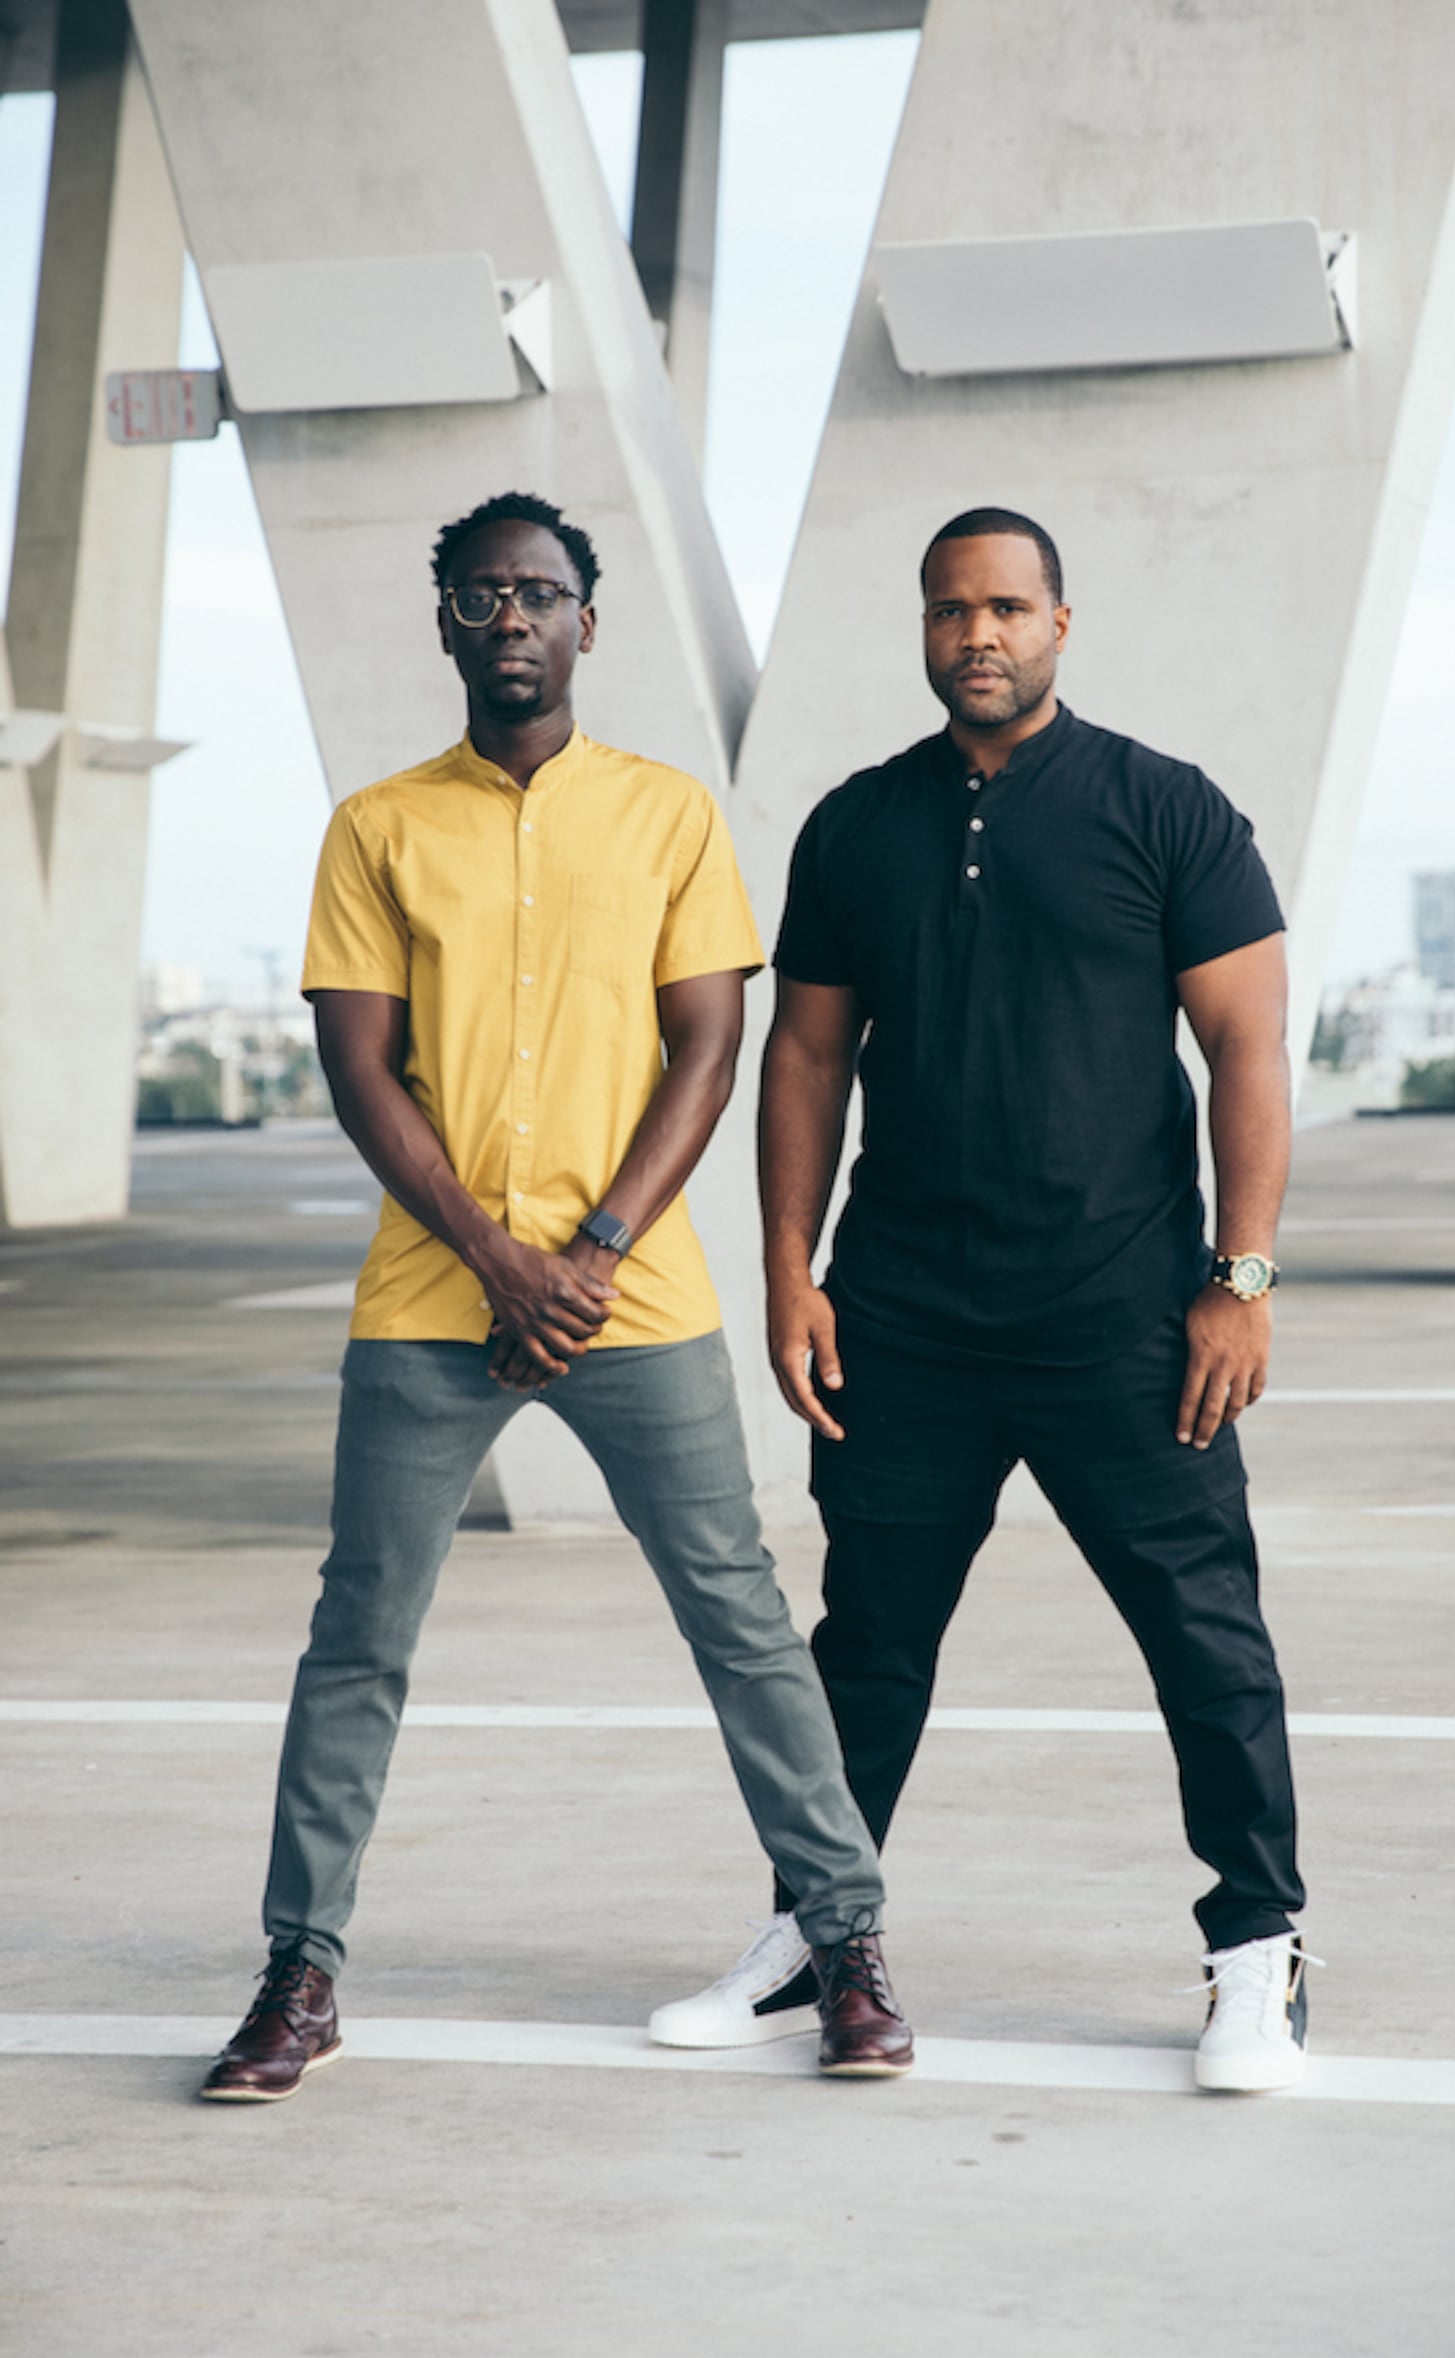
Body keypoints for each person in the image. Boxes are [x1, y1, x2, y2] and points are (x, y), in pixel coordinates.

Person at [201, 491, 912, 2101]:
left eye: (538, 592)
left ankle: (848, 1945)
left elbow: (712, 1046)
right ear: (445, 621)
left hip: (633, 1299)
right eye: (479, 594)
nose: (509, 616)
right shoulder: (376, 827)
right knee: (356, 1639)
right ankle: (298, 1975)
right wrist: (493, 1251)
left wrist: (585, 1253)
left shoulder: (665, 816)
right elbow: (360, 1068)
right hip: (430, 1297)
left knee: (739, 1620)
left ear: (591, 622)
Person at [649, 506, 1310, 2092]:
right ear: (926, 629)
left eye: (1008, 607)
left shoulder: (1166, 809)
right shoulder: (858, 825)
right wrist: (790, 1272)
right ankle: (819, 1933)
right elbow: (806, 1055)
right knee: (865, 1646)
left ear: (1061, 624)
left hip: (1127, 1317)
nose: (979, 636)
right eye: (951, 611)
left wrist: (1242, 1278)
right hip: (908, 1316)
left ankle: (1257, 1953)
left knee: (1205, 1640)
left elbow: (1247, 1048)